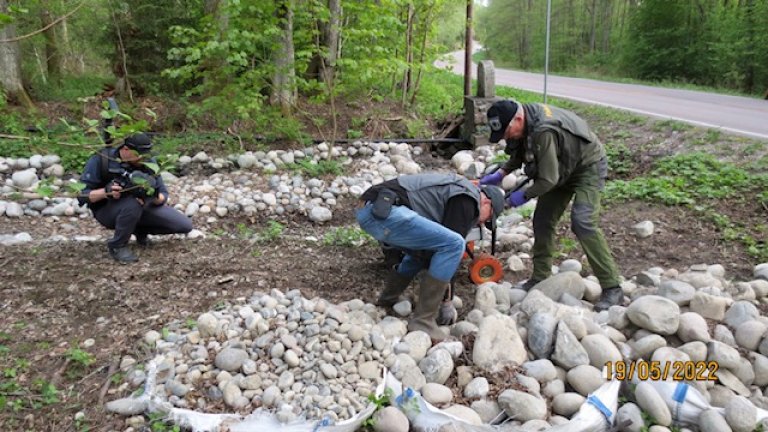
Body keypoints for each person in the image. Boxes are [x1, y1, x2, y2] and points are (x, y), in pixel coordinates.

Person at [480, 99, 622, 312]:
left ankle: (612, 287)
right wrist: (501, 173)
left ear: (518, 119)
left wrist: (518, 197)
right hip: (561, 166)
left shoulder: (544, 131)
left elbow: (547, 180)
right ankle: (540, 278)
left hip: (587, 167)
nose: (505, 138)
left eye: (506, 132)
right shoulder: (525, 120)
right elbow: (521, 149)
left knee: (583, 222)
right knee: (542, 220)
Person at [356, 172, 505, 341]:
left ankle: (388, 299)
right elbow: (451, 250)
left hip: (370, 209)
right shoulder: (467, 199)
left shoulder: (458, 189)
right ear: (487, 202)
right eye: (487, 219)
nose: (481, 222)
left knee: (422, 253)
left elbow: (432, 252)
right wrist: (446, 302)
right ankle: (423, 321)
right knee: (455, 244)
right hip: (383, 211)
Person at [78, 133, 193, 263]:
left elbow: (163, 195)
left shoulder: (149, 163)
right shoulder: (102, 160)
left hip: (143, 206)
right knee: (132, 204)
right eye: (139, 154)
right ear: (125, 150)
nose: (143, 158)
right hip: (108, 209)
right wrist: (106, 192)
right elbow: (82, 196)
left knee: (184, 225)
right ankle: (118, 245)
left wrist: (150, 194)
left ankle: (139, 230)